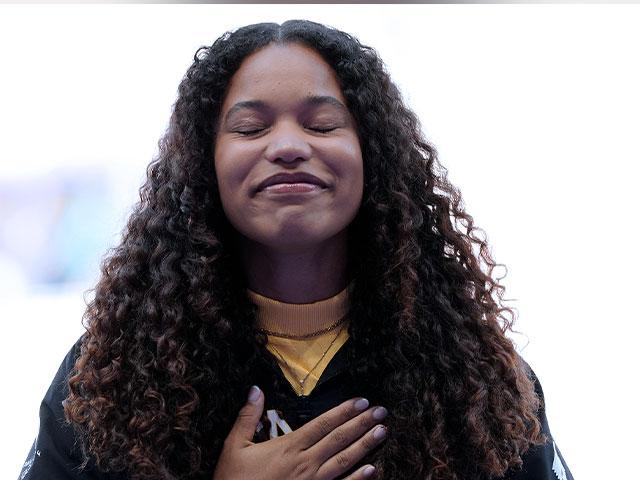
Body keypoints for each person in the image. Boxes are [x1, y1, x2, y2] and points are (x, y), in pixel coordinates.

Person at [19, 20, 574, 480]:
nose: (288, 146)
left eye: (323, 123)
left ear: (373, 156)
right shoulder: (111, 378)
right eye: (251, 128)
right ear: (202, 167)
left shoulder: (476, 377)